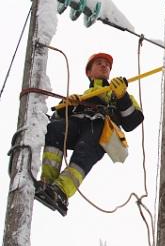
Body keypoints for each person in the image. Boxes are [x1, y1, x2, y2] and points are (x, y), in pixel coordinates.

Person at [34, 52, 144, 216]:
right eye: (99, 63)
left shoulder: (117, 93)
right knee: (56, 129)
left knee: (85, 149)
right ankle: (47, 182)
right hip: (79, 124)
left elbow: (133, 121)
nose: (104, 66)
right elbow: (55, 120)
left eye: (107, 64)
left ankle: (61, 191)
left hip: (101, 130)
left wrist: (122, 96)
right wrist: (66, 107)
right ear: (89, 72)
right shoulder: (82, 97)